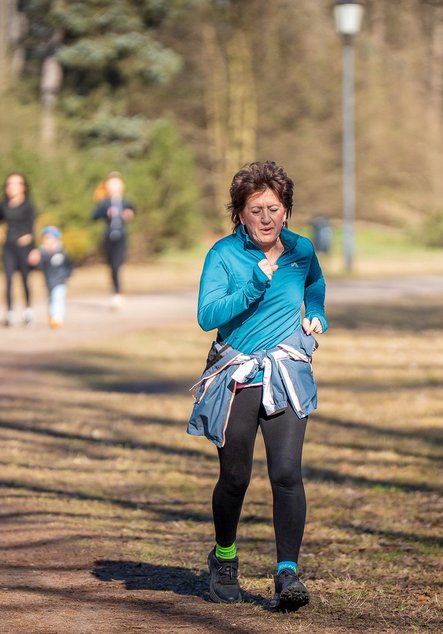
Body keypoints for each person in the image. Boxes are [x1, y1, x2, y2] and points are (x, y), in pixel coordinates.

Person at [187, 161, 328, 611]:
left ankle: (288, 573)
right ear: (240, 214)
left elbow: (315, 283)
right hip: (238, 375)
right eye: (256, 209)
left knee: (287, 474)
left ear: (286, 210)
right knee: (235, 477)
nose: (266, 218)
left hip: (286, 371)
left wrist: (317, 312)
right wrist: (252, 286)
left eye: (274, 208)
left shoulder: (301, 250)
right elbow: (207, 316)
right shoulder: (224, 255)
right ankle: (224, 557)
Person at [0, 172, 37, 327]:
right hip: (8, 246)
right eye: (9, 184)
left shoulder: (28, 205)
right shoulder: (2, 204)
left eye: (16, 184)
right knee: (8, 279)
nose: (12, 187)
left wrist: (33, 248)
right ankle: (10, 313)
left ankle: (28, 311)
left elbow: (33, 228)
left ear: (23, 187)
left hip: (25, 247)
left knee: (25, 279)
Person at [90, 172, 135, 309]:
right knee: (111, 266)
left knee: (117, 264)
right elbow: (94, 215)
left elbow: (133, 211)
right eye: (111, 184)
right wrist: (106, 213)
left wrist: (129, 214)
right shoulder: (104, 202)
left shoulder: (126, 201)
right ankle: (115, 291)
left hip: (121, 236)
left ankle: (118, 293)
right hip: (109, 236)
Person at [33, 225, 72, 329]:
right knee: (50, 300)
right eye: (46, 238)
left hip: (60, 281)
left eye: (50, 238)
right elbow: (39, 266)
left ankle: (57, 318)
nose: (47, 241)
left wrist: (67, 275)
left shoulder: (62, 252)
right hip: (48, 282)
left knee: (57, 298)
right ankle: (52, 316)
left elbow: (69, 265)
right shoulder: (42, 253)